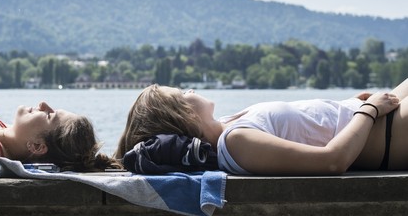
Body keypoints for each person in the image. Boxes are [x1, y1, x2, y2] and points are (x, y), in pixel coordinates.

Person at [115, 78, 407, 175]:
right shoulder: (236, 142)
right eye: (182, 94)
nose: (190, 90)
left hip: (384, 118)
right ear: (186, 117)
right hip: (391, 132)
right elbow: (332, 161)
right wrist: (368, 111)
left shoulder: (229, 125)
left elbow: (305, 126)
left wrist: (348, 104)